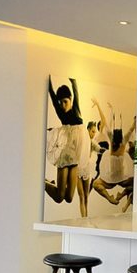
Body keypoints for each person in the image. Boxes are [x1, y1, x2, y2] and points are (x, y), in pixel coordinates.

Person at [45, 76, 89, 204]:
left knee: (69, 198)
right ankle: (44, 183)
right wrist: (47, 79)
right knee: (59, 198)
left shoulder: (76, 111)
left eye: (65, 101)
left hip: (75, 158)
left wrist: (73, 81)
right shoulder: (61, 114)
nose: (63, 105)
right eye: (61, 103)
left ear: (70, 100)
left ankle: (53, 184)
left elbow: (76, 93)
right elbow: (52, 96)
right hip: (65, 156)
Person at [93, 114, 136, 211]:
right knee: (136, 183)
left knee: (95, 184)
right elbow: (130, 129)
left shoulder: (113, 144)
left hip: (112, 179)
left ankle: (115, 197)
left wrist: (100, 107)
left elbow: (106, 124)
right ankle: (115, 197)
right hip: (119, 179)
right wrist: (135, 121)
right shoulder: (122, 144)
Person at [76, 98, 106, 217]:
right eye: (92, 131)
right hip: (78, 169)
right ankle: (83, 218)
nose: (93, 134)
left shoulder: (92, 143)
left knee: (86, 195)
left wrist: (105, 150)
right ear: (88, 130)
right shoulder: (82, 140)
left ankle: (86, 217)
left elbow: (98, 148)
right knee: (81, 195)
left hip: (87, 170)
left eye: (95, 132)